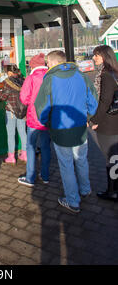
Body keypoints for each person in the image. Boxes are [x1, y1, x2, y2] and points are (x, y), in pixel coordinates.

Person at [35, 51, 98, 213]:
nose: (47, 65)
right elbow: (93, 100)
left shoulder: (49, 79)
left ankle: (72, 200)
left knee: (66, 164)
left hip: (60, 128)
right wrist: (87, 116)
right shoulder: (81, 76)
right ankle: (85, 189)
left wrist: (47, 123)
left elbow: (41, 107)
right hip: (80, 126)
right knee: (82, 160)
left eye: (48, 62)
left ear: (54, 62)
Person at [90, 45, 118, 201]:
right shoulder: (115, 72)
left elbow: (105, 101)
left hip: (107, 123)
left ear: (105, 57)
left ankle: (112, 191)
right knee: (115, 157)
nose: (94, 58)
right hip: (115, 120)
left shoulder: (105, 75)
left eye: (97, 55)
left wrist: (95, 120)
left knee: (111, 158)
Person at [18, 53, 50, 187]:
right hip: (48, 118)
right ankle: (45, 175)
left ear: (33, 66)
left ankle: (30, 177)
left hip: (34, 118)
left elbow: (24, 98)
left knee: (30, 147)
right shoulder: (51, 76)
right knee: (46, 147)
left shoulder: (31, 78)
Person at [0, 64, 27, 163]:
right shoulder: (23, 80)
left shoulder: (8, 82)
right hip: (22, 110)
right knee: (23, 133)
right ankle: (25, 154)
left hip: (11, 111)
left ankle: (11, 157)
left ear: (10, 73)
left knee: (11, 134)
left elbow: (3, 97)